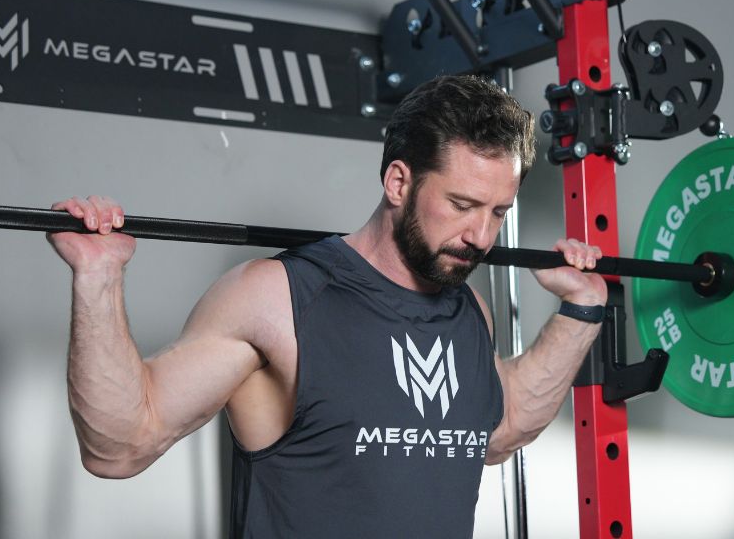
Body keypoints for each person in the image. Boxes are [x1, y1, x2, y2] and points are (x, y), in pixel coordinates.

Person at [47, 75, 607, 537]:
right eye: (462, 205)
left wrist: (581, 312)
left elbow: (496, 431)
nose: (481, 235)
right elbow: (118, 447)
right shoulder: (278, 298)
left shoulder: (468, 311)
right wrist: (98, 278)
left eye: (498, 212)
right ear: (397, 181)